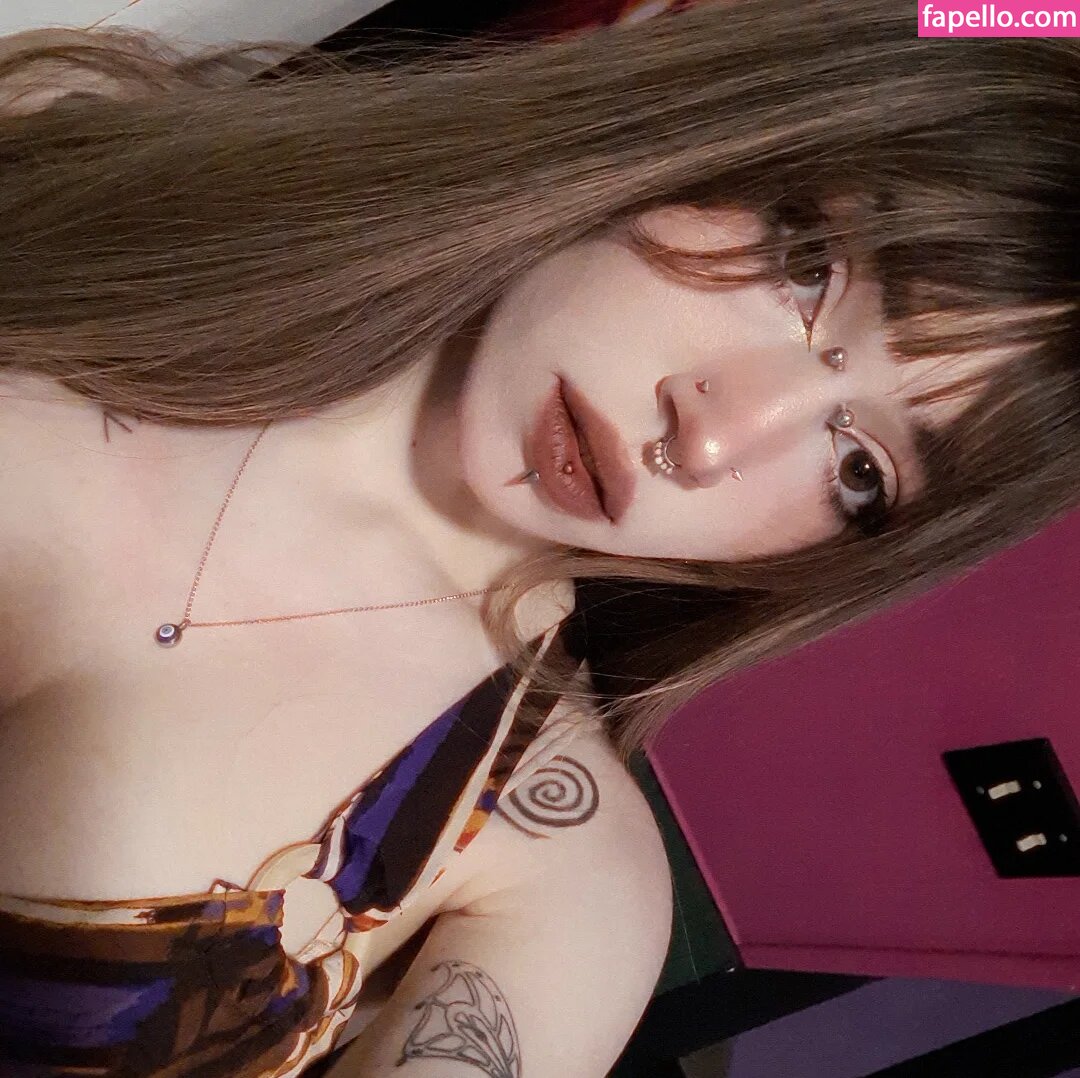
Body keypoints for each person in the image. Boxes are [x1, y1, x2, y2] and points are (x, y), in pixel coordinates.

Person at [0, 0, 1076, 1074]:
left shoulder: (562, 888)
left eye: (858, 469)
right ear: (710, 115)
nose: (710, 439)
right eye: (808, 263)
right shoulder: (82, 137)